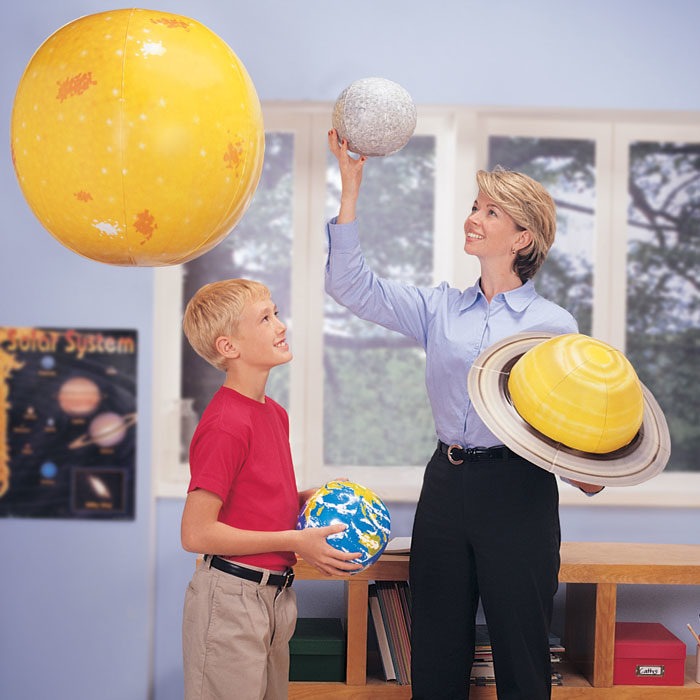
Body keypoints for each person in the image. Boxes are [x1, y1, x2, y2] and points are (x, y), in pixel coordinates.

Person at [325, 130, 603, 700]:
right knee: (437, 648)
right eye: (475, 207)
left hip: (518, 490)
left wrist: (588, 468)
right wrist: (350, 189)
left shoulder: (555, 327)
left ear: (523, 236)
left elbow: (572, 424)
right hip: (446, 484)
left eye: (491, 211)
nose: (473, 218)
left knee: (521, 649)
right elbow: (349, 285)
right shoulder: (439, 309)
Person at [180, 278, 361, 700]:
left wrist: (308, 498)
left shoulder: (272, 414)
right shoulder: (226, 424)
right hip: (230, 600)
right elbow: (196, 533)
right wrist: (296, 539)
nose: (280, 325)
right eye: (265, 319)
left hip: (275, 596)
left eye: (275, 313)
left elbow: (253, 499)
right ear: (229, 347)